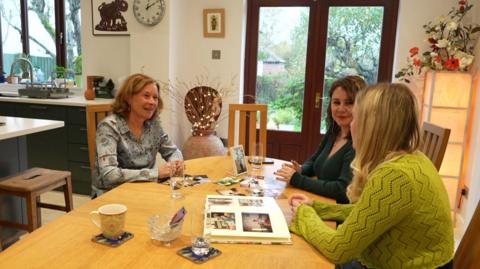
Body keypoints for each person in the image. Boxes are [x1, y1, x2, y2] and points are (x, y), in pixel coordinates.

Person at [285, 83, 454, 269]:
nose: (351, 124)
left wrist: (304, 214)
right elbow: (369, 213)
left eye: (356, 118)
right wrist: (317, 208)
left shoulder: (394, 175)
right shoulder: (413, 159)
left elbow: (337, 249)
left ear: (372, 127)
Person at [274, 76, 366, 204]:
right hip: (318, 202)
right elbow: (313, 161)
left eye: (349, 103)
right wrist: (301, 169)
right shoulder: (334, 131)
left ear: (362, 106)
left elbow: (342, 190)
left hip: (335, 215)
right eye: (336, 102)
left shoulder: (359, 143)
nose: (341, 109)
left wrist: (297, 179)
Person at [92, 73, 183, 197]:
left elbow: (173, 151)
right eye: (146, 96)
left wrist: (175, 163)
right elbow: (110, 175)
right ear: (129, 98)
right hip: (112, 197)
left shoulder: (154, 125)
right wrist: (156, 173)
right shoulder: (109, 127)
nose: (152, 102)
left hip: (145, 191)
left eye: (155, 98)